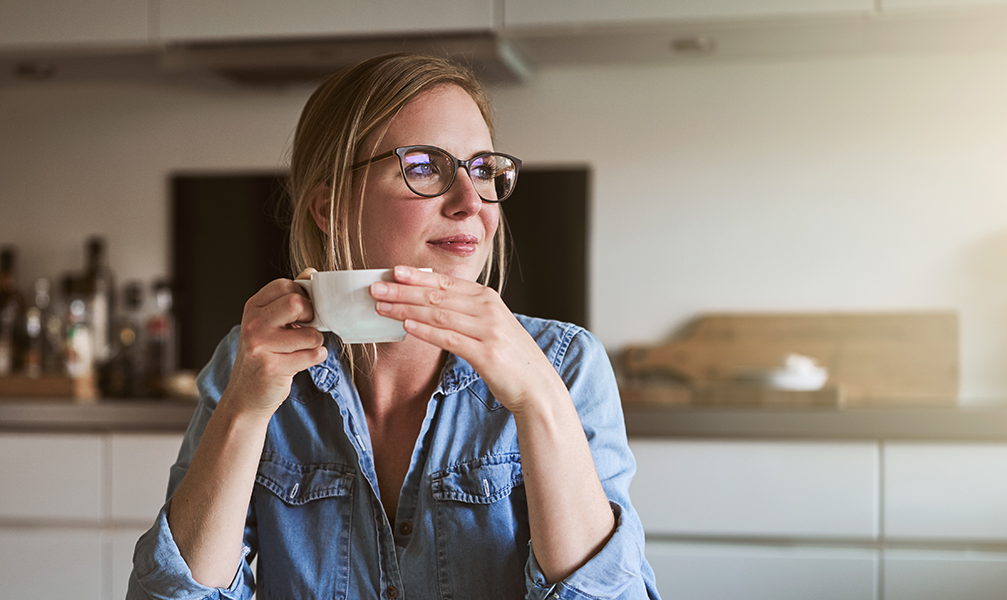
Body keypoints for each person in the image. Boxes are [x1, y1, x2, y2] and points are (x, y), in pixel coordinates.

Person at [128, 53, 661, 600]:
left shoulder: (567, 364)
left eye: (483, 170)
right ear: (330, 209)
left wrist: (539, 399)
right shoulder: (251, 363)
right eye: (426, 166)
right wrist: (244, 409)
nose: (470, 202)